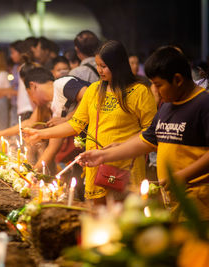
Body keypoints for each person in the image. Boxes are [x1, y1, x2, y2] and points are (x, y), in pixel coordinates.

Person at [76, 46, 209, 218]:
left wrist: (179, 177)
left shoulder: (203, 105)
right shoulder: (167, 106)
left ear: (177, 80)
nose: (154, 90)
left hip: (199, 205)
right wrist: (104, 156)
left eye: (158, 85)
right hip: (173, 201)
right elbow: (147, 140)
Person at [23, 40, 157, 204]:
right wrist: (40, 133)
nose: (99, 70)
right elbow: (75, 124)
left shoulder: (139, 92)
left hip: (125, 170)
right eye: (98, 65)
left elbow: (150, 132)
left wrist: (122, 145)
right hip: (96, 168)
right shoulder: (94, 90)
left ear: (118, 65)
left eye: (104, 66)